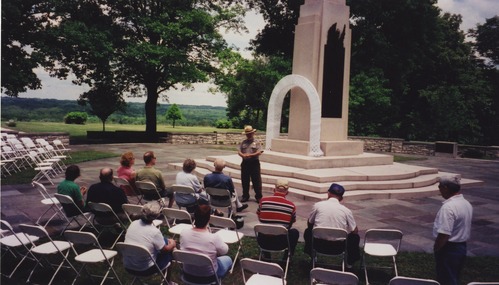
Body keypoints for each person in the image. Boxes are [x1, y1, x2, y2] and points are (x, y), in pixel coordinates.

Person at [304, 183, 361, 267]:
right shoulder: (346, 211)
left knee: (308, 231)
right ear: (341, 198)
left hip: (318, 245)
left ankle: (312, 254)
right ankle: (349, 262)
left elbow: (310, 223)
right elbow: (354, 231)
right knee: (355, 237)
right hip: (338, 247)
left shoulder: (318, 205)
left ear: (328, 193)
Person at [433, 176, 473, 285]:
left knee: (446, 279)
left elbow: (444, 234)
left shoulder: (448, 207)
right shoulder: (466, 203)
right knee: (454, 276)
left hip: (448, 248)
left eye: (440, 187)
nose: (439, 190)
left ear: (445, 188)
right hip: (461, 246)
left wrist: (436, 248)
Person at [123, 203, 176, 280]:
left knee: (164, 241)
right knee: (169, 251)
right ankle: (167, 282)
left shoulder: (133, 223)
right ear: (157, 215)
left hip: (128, 266)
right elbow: (165, 250)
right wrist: (173, 243)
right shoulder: (154, 232)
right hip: (145, 269)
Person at [180, 204, 232, 282]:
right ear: (209, 219)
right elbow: (225, 251)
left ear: (194, 217)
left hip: (187, 275)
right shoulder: (214, 237)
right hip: (209, 277)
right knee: (228, 259)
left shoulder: (183, 233)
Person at [257, 179, 299, 256]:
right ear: (287, 192)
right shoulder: (291, 206)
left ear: (274, 189)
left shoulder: (263, 201)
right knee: (294, 232)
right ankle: (287, 259)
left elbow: (260, 217)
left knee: (263, 227)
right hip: (281, 243)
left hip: (263, 241)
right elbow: (291, 223)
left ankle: (266, 255)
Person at [238, 125, 263, 203]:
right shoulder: (243, 142)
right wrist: (242, 155)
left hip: (254, 163)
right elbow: (239, 150)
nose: (248, 135)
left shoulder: (257, 142)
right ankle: (245, 195)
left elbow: (260, 152)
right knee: (245, 180)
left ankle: (258, 196)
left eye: (250, 133)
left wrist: (250, 155)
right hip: (245, 163)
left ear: (253, 133)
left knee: (256, 180)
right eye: (247, 134)